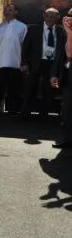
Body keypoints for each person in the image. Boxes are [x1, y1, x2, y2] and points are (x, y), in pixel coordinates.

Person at [21, 8, 63, 120]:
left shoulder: (61, 31)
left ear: (57, 18)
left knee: (48, 90)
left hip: (52, 64)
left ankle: (44, 115)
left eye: (53, 16)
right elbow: (25, 47)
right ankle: (26, 113)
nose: (50, 18)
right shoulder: (34, 29)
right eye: (48, 15)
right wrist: (24, 62)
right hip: (35, 63)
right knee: (30, 88)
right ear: (44, 16)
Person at [0, 4, 28, 114]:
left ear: (16, 12)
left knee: (14, 89)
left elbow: (25, 46)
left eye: (10, 10)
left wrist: (24, 62)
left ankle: (13, 111)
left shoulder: (22, 27)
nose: (7, 12)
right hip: (1, 63)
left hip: (16, 63)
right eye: (6, 10)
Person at [50, 11, 72, 148]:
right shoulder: (65, 32)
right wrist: (54, 74)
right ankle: (66, 139)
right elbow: (60, 54)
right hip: (68, 75)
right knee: (67, 109)